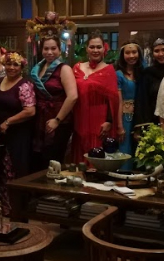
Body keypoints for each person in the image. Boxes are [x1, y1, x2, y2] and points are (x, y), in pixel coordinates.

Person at [0, 51, 36, 214]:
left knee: (14, 169)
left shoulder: (24, 85)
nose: (11, 67)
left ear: (21, 67)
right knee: (0, 169)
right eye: (8, 64)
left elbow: (30, 111)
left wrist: (9, 122)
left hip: (18, 134)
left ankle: (16, 209)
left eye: (15, 64)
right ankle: (1, 207)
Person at [30, 32, 77, 170]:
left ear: (59, 49)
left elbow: (72, 96)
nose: (49, 52)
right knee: (38, 159)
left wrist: (57, 120)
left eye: (53, 48)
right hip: (40, 117)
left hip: (58, 119)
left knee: (53, 159)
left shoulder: (64, 69)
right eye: (46, 48)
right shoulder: (38, 69)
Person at [72, 32, 119, 163]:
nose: (95, 50)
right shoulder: (77, 68)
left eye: (99, 47)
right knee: (80, 154)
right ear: (87, 48)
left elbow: (113, 99)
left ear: (104, 49)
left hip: (99, 119)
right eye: (92, 47)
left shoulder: (109, 70)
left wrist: (109, 121)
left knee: (96, 154)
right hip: (80, 117)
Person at [134, 38, 164, 127]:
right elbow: (142, 103)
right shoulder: (147, 74)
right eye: (156, 51)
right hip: (153, 124)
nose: (160, 54)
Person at [115, 42, 143, 169]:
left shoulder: (142, 73)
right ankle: (123, 177)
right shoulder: (119, 74)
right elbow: (119, 101)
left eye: (134, 52)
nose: (131, 55)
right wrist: (120, 126)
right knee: (125, 150)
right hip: (125, 118)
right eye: (127, 52)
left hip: (140, 118)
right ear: (122, 55)